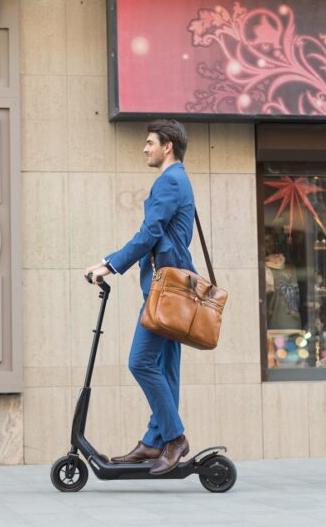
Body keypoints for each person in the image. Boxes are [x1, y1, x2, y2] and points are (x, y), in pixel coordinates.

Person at [85, 119, 196, 476]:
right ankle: (154, 439)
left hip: (165, 291)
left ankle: (174, 438)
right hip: (173, 287)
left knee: (141, 362)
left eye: (150, 142)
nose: (145, 148)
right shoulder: (179, 180)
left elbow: (148, 234)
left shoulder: (170, 181)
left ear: (168, 147)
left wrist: (109, 264)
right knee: (165, 368)